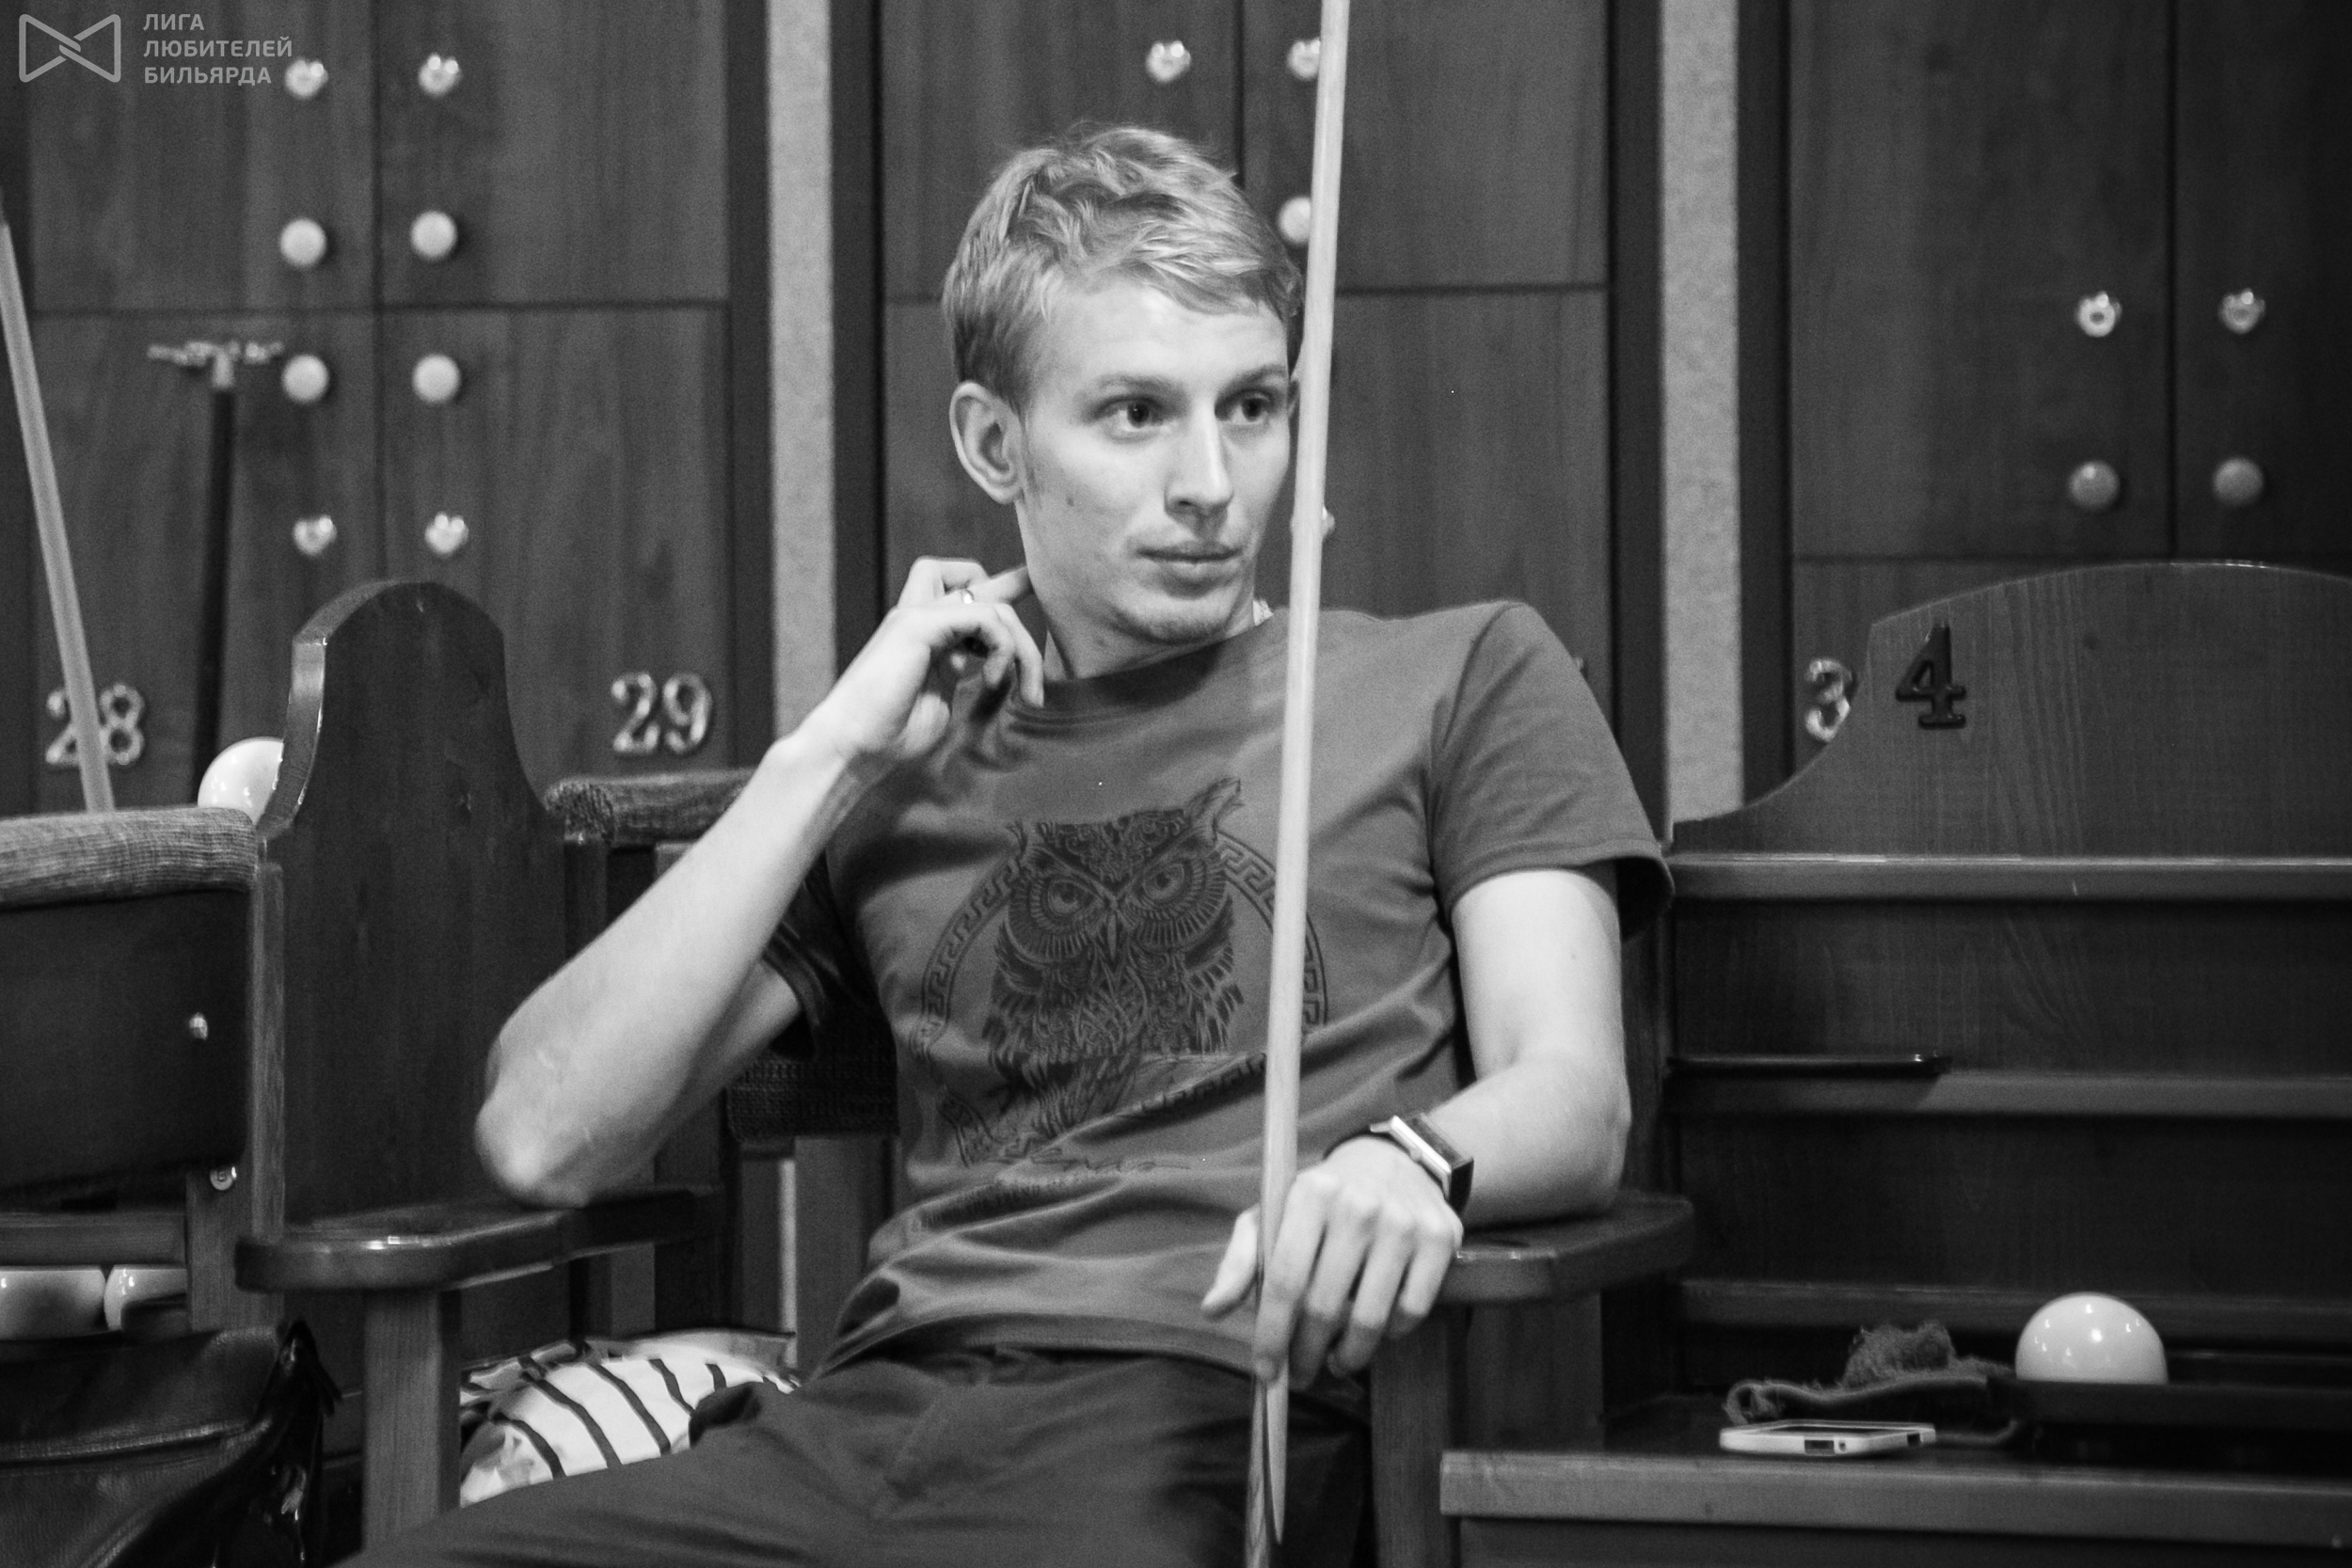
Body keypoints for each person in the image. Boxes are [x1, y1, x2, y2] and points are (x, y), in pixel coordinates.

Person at [358, 125, 1666, 1567]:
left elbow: (1576, 1097)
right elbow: (543, 1136)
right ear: (996, 445)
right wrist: (828, 757)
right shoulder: (901, 766)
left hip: (1204, 1411)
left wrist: (1413, 1158)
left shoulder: (1462, 675)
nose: (1212, 483)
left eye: (1252, 405)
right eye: (1134, 414)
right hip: (869, 1419)